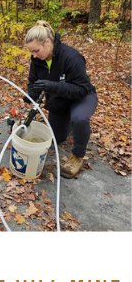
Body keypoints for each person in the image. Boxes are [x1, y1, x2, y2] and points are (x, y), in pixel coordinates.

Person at [24, 20, 97, 179]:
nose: (34, 55)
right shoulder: (37, 60)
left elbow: (82, 89)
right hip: (60, 100)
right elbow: (33, 81)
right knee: (56, 138)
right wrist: (31, 95)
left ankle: (78, 155)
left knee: (79, 118)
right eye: (31, 52)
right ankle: (68, 126)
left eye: (36, 50)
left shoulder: (71, 57)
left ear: (48, 43)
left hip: (82, 97)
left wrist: (52, 86)